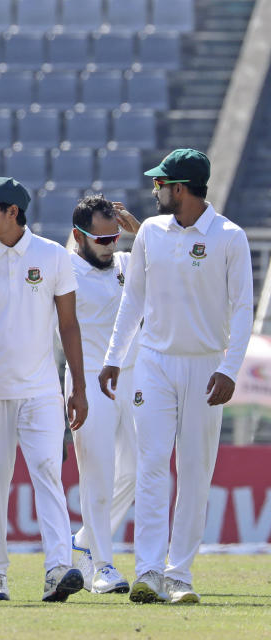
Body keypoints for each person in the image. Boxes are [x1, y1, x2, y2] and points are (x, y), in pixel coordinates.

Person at [99, 149, 253, 605]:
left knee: (195, 472)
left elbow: (243, 308)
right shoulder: (149, 231)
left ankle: (179, 574)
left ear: (179, 188)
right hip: (154, 362)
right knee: (150, 465)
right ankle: (148, 570)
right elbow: (134, 300)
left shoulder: (230, 236)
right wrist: (114, 355)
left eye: (160, 184)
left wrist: (229, 368)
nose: (154, 190)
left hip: (207, 366)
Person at [0, 177, 88, 603]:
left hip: (41, 391)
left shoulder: (53, 256)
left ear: (12, 212)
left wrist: (77, 387)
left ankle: (58, 568)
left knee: (48, 473)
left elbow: (69, 326)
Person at [65, 195, 142, 594]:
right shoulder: (65, 271)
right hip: (87, 381)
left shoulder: (128, 263)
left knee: (136, 471)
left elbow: (170, 261)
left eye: (115, 237)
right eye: (102, 239)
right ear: (78, 236)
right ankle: (103, 567)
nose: (111, 246)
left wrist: (138, 231)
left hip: (132, 379)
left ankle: (83, 541)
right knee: (97, 474)